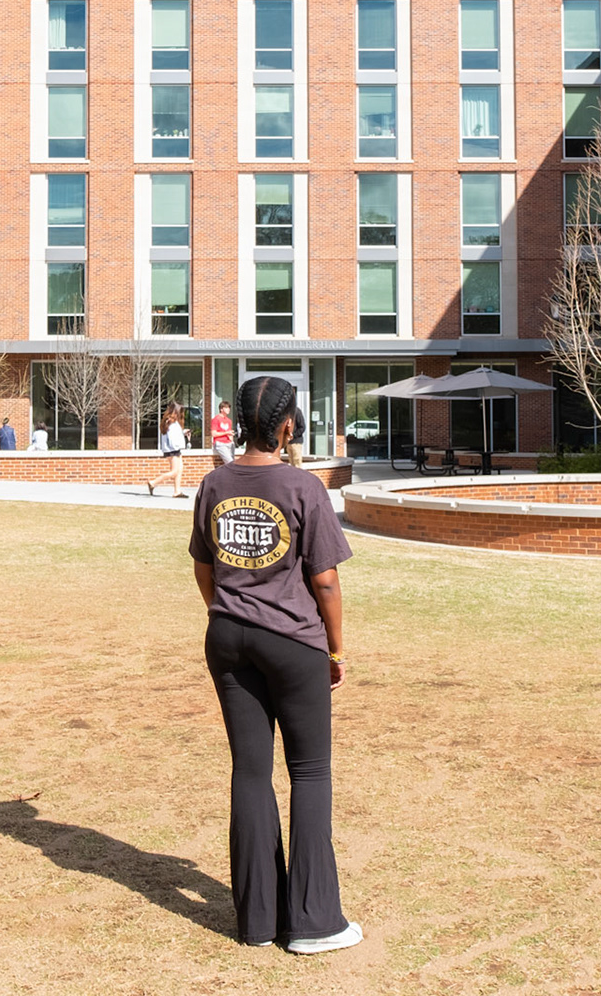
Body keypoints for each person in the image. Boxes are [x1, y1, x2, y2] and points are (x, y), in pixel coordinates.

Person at [189, 376, 361, 955]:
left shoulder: (215, 483)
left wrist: (229, 612)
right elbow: (327, 581)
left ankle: (258, 922)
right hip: (293, 643)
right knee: (309, 772)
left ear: (240, 421)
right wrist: (335, 649)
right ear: (288, 425)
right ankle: (314, 923)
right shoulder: (302, 486)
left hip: (228, 638)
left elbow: (204, 568)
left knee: (251, 772)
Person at [149, 401, 188, 498]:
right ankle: (153, 482)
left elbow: (173, 435)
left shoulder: (169, 421)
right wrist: (177, 447)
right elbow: (171, 437)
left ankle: (177, 491)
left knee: (179, 469)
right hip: (173, 449)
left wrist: (183, 432)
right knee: (175, 471)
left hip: (171, 449)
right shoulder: (170, 422)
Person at [210, 399, 235, 467]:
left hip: (229, 443)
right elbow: (213, 434)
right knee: (230, 462)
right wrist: (226, 432)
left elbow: (229, 433)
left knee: (233, 462)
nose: (228, 409)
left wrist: (231, 437)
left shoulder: (229, 421)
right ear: (221, 409)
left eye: (229, 407)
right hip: (220, 443)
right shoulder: (216, 419)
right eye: (226, 407)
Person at [283, 403, 307, 467]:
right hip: (289, 442)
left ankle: (298, 476)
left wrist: (293, 435)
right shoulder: (287, 413)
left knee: (297, 462)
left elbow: (302, 427)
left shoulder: (297, 411)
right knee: (291, 461)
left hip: (296, 442)